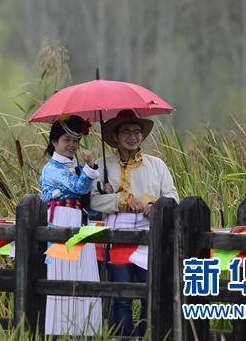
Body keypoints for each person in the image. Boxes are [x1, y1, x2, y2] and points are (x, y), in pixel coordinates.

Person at [90, 109, 179, 338]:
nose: (133, 136)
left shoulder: (157, 165)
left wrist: (155, 207)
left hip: (150, 237)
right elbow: (94, 201)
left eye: (137, 131)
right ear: (116, 136)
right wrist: (121, 200)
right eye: (127, 131)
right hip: (118, 237)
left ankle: (148, 335)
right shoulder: (102, 166)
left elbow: (172, 197)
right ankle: (125, 337)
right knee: (121, 298)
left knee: (151, 295)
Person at [39, 115, 103, 337]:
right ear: (54, 142)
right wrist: (91, 168)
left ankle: (85, 330)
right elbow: (77, 188)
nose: (72, 145)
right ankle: (60, 330)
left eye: (76, 141)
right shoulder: (52, 169)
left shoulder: (75, 167)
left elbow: (89, 203)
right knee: (63, 274)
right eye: (67, 139)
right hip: (61, 220)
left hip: (81, 220)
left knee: (85, 274)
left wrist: (102, 189)